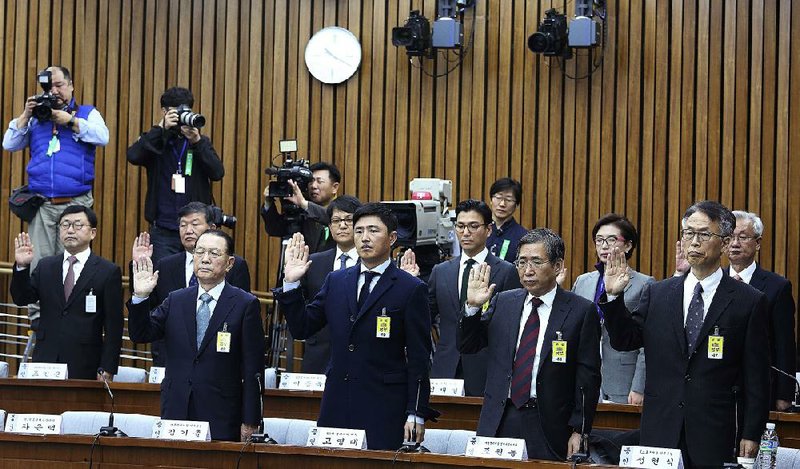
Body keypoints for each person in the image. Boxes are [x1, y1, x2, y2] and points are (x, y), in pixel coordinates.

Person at [600, 201, 769, 466]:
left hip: (714, 431)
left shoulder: (749, 301)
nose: (693, 242)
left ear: (724, 244)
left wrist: (751, 432)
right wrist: (613, 297)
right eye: (688, 233)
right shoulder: (658, 294)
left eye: (704, 234)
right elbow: (625, 340)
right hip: (660, 429)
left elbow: (757, 376)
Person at [274, 203, 437, 450]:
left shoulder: (410, 288)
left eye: (373, 231)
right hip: (337, 400)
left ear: (392, 238)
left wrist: (415, 412)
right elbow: (303, 327)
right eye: (359, 231)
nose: (364, 238)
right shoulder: (336, 280)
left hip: (384, 404)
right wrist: (291, 285)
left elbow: (419, 357)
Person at [458, 228, 601, 461]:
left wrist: (579, 429)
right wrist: (472, 308)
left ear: (557, 266)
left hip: (548, 422)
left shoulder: (580, 311)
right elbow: (469, 345)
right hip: (500, 418)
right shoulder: (503, 301)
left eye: (536, 261)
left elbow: (588, 377)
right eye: (522, 262)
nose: (527, 270)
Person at [128, 229, 265, 442]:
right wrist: (140, 297)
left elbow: (253, 368)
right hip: (176, 408)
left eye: (214, 253)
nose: (205, 259)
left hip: (222, 413)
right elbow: (140, 334)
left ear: (229, 263)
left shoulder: (245, 304)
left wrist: (250, 420)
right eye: (199, 252)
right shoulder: (176, 300)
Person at [3, 65, 109, 270]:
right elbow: (9, 144)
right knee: (38, 267)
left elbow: (103, 137)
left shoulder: (87, 113)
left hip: (76, 204)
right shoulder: (36, 117)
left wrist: (70, 121)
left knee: (73, 266)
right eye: (49, 86)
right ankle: (35, 304)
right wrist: (26, 115)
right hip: (42, 205)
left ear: (71, 86)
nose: (54, 91)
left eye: (59, 85)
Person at [130, 202, 252, 367]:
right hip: (172, 363)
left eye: (195, 224)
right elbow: (146, 319)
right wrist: (139, 271)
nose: (188, 230)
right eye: (182, 225)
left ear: (212, 227)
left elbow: (242, 319)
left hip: (220, 364)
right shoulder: (165, 266)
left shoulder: (236, 266)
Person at [10, 205, 122, 381]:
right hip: (46, 360)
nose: (70, 230)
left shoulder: (107, 271)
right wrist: (22, 267)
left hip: (85, 363)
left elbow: (113, 326)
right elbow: (21, 298)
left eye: (78, 225)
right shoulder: (46, 266)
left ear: (92, 233)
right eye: (65, 225)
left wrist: (107, 367)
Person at [428, 199, 521, 396]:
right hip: (445, 368)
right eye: (460, 226)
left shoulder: (506, 272)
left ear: (488, 230)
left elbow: (509, 328)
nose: (466, 232)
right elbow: (425, 317)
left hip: (485, 368)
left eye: (473, 226)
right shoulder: (441, 271)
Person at [126, 87, 224, 264]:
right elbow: (133, 156)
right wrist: (160, 128)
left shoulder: (198, 142)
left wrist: (197, 141)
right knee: (165, 280)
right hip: (164, 229)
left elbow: (217, 172)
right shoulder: (156, 141)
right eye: (175, 112)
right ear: (164, 112)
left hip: (196, 228)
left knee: (199, 277)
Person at [571, 214, 653, 404]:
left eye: (611, 239)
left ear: (629, 245)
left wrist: (639, 385)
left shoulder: (645, 284)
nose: (604, 245)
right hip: (585, 375)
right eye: (599, 240)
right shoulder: (583, 281)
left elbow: (646, 343)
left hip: (623, 377)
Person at [728, 210, 796, 411]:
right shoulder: (716, 281)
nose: (735, 243)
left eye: (742, 237)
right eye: (730, 237)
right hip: (720, 388)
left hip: (760, 387)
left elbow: (785, 345)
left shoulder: (777, 286)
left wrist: (784, 394)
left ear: (757, 243)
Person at [298, 195, 362, 373]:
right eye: (336, 220)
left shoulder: (371, 263)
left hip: (360, 356)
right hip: (319, 355)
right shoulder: (313, 262)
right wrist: (290, 281)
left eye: (348, 219)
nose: (342, 225)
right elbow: (302, 311)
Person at [261, 162, 340, 253]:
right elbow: (274, 229)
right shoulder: (302, 212)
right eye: (311, 181)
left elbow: (331, 217)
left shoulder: (344, 208)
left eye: (319, 181)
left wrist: (304, 203)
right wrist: (268, 202)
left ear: (335, 187)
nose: (313, 186)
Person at [485, 178, 528, 262]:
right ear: (491, 200)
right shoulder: (479, 229)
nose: (502, 204)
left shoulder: (523, 237)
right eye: (498, 197)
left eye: (508, 200)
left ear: (516, 205)